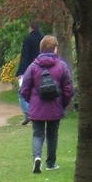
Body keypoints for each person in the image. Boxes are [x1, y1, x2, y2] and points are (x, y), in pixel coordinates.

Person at [18, 34, 74, 173]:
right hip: (55, 107)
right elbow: (68, 89)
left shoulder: (33, 66)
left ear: (41, 48)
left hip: (37, 107)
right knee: (52, 135)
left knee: (37, 134)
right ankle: (51, 163)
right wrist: (63, 103)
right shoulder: (62, 66)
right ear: (55, 49)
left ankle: (37, 158)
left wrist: (31, 102)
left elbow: (24, 88)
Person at [17, 21, 43, 121]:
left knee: (22, 92)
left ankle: (29, 113)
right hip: (42, 69)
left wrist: (20, 72)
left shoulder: (28, 39)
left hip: (29, 70)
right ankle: (33, 113)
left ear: (31, 28)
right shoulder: (43, 39)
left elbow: (25, 56)